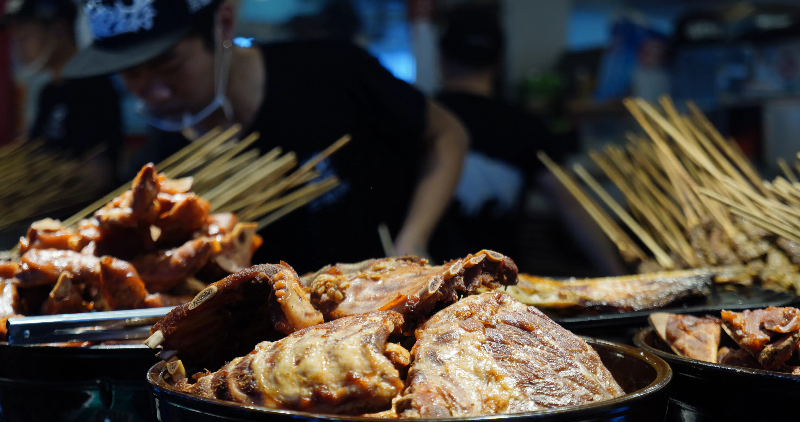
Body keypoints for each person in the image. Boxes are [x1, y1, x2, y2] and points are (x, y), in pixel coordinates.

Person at [62, 0, 468, 274]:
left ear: (223, 22)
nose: (155, 91)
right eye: (132, 74)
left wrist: (414, 237)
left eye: (169, 65)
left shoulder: (330, 71)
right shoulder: (163, 165)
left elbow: (448, 135)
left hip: (403, 290)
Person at [429, 4, 626, 276]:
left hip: (428, 286)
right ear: (499, 62)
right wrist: (617, 273)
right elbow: (570, 204)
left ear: (441, 57)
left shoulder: (421, 120)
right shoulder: (525, 125)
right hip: (501, 289)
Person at [3, 0, 123, 184]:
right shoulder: (48, 92)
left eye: (24, 37)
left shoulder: (94, 87)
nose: (19, 48)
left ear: (59, 31)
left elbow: (99, 174)